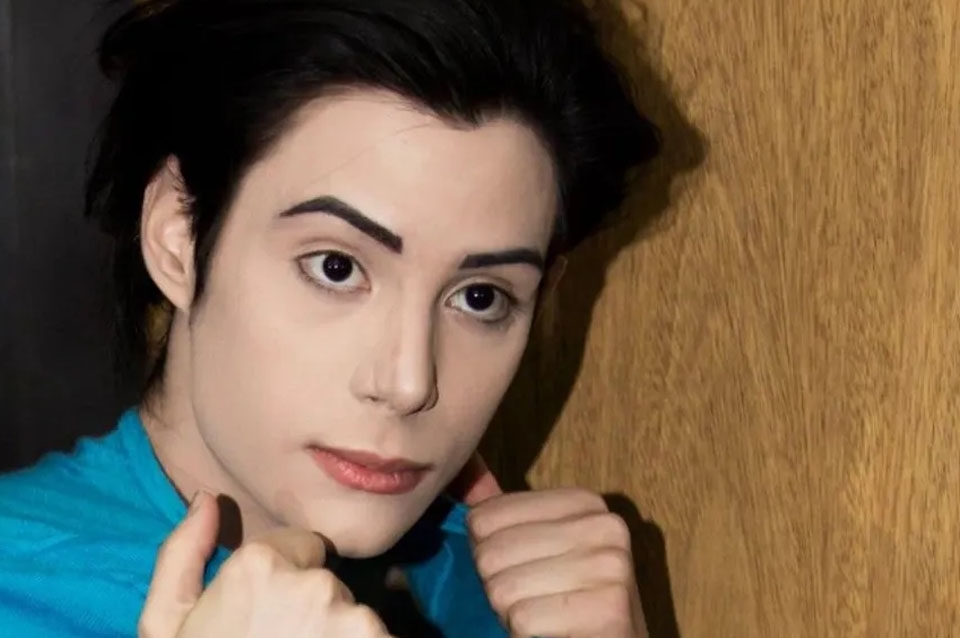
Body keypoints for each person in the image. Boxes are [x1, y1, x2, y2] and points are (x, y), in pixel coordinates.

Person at [0, 0, 660, 636]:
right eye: (336, 268)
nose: (407, 384)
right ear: (178, 235)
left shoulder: (516, 602)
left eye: (481, 297)